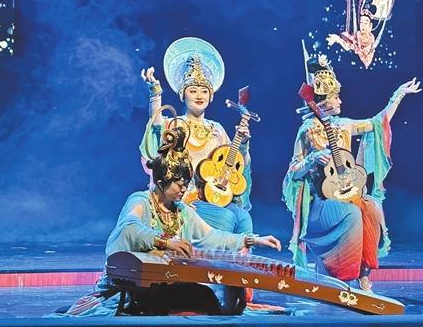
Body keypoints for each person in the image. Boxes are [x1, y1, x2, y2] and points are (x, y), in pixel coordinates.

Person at [62, 149, 280, 317]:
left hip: (165, 280)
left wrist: (252, 239)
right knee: (158, 302)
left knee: (205, 297)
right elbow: (130, 227)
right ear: (161, 181)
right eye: (179, 184)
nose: (184, 189)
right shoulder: (141, 201)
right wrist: (166, 242)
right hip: (134, 283)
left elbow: (211, 236)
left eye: (186, 184)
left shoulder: (181, 210)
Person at [283, 54, 421, 290]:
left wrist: (397, 96)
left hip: (347, 194)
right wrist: (312, 159)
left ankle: (364, 273)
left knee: (371, 207)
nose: (340, 101)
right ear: (324, 102)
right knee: (352, 213)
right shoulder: (307, 131)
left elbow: (377, 123)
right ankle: (344, 275)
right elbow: (293, 173)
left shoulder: (344, 125)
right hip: (321, 203)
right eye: (336, 97)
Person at [141, 37, 253, 235]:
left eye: (204, 91)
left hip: (213, 195)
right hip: (184, 198)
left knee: (243, 218)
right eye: (193, 91)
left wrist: (243, 144)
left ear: (211, 96)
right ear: (182, 95)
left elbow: (234, 167)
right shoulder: (175, 124)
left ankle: (240, 255)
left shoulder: (217, 129)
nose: (199, 96)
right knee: (226, 220)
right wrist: (155, 93)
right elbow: (156, 124)